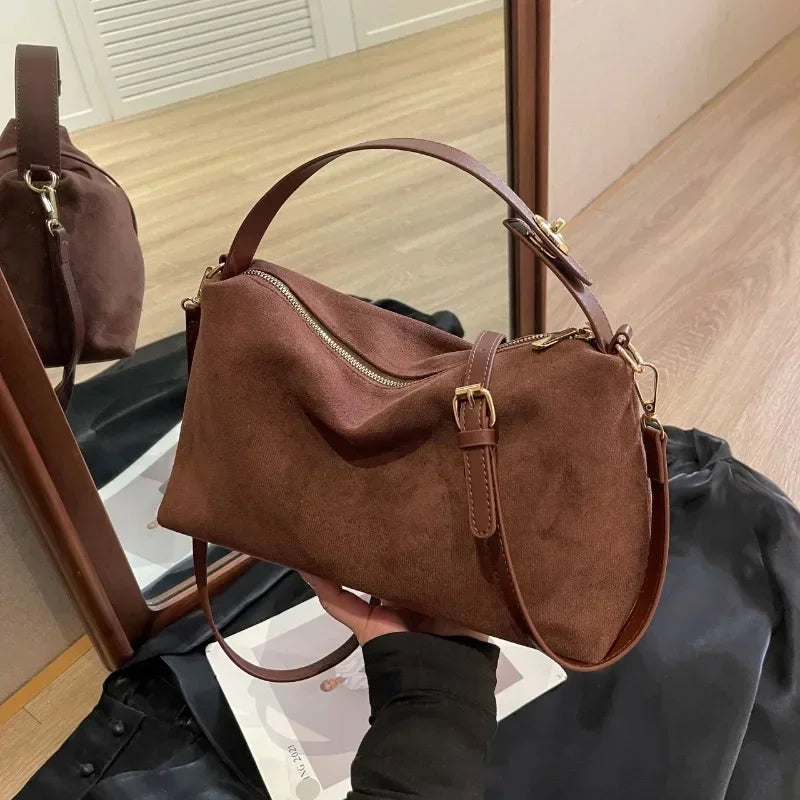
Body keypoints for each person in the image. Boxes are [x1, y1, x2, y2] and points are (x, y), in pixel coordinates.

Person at [301, 573, 500, 800]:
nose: (329, 683)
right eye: (329, 686)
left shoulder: (347, 671)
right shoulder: (352, 679)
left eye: (326, 684)